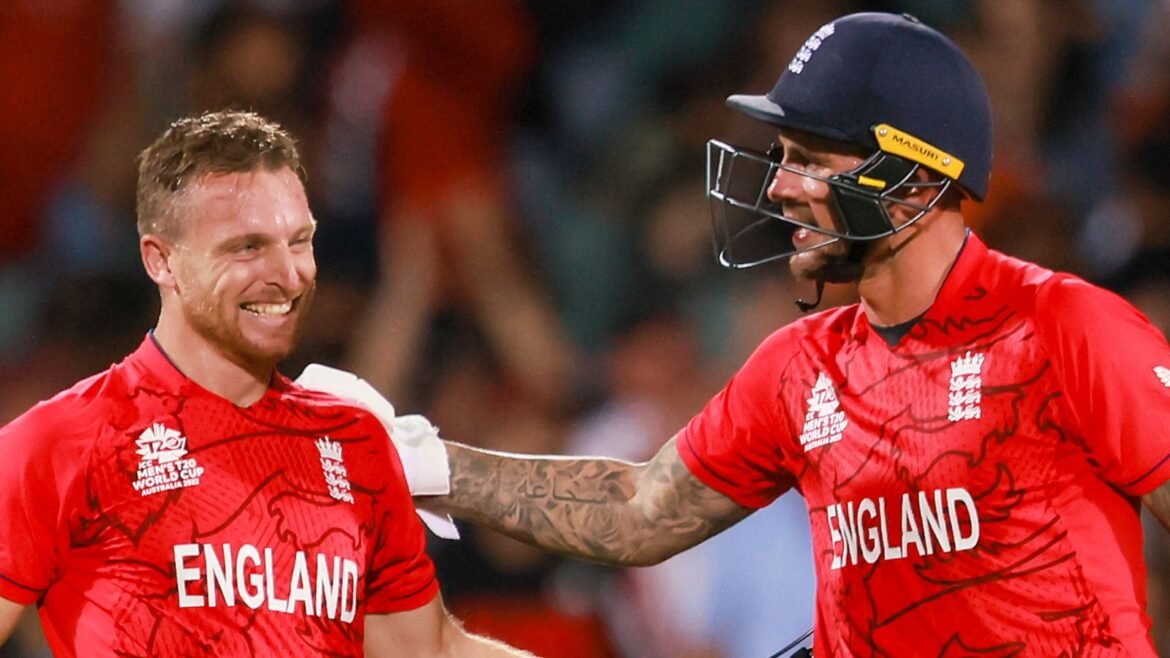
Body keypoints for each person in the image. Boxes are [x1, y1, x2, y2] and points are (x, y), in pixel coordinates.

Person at [417, 12, 1170, 656]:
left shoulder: (1064, 328)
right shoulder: (798, 368)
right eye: (783, 158)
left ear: (911, 181)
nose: (778, 186)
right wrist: (425, 465)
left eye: (809, 160)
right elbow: (640, 510)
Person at [0, 110, 534, 657]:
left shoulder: (355, 442)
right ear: (162, 261)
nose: (288, 274)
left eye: (299, 241)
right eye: (247, 247)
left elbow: (428, 651)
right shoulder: (63, 443)